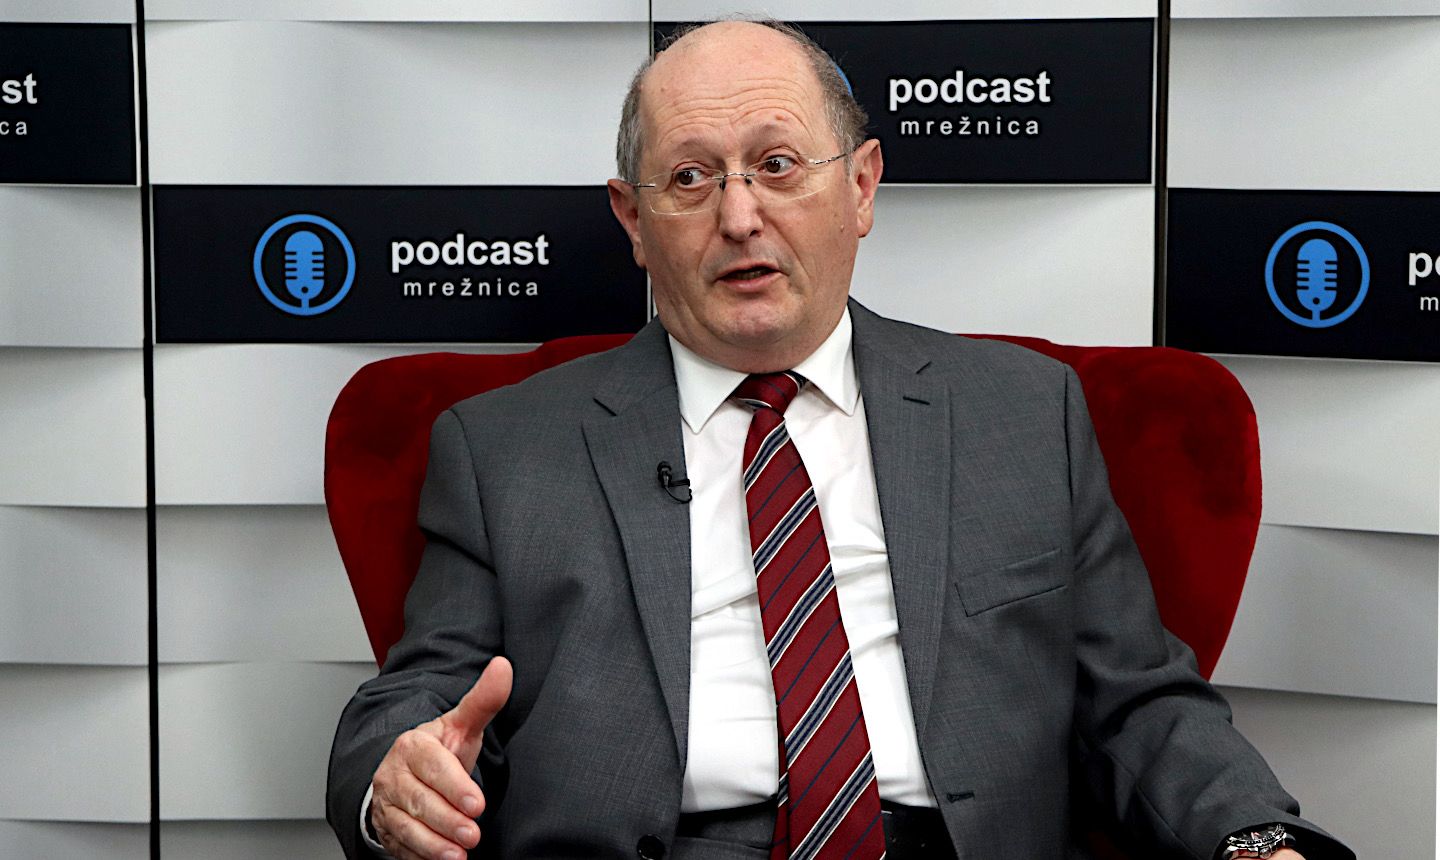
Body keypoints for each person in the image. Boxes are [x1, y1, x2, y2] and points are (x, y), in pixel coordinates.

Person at [328, 18, 1354, 860]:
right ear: (633, 219)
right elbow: (419, 696)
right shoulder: (503, 448)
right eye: (690, 178)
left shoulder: (1022, 414)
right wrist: (393, 783)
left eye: (777, 165)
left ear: (861, 186)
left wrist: (1255, 838)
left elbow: (1139, 703)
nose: (740, 215)